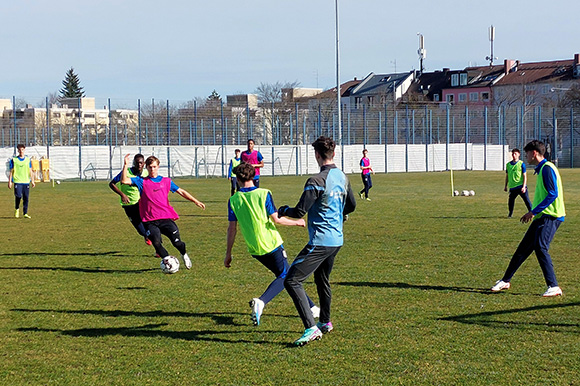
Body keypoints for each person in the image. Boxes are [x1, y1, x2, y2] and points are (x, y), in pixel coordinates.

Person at [278, 136, 357, 346]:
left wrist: (282, 210)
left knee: (292, 280)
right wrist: (338, 214)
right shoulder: (343, 177)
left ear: (317, 155)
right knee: (322, 279)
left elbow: (299, 211)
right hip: (336, 239)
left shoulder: (316, 181)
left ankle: (311, 328)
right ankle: (325, 322)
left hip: (321, 240)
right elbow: (351, 205)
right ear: (333, 154)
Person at [225, 162, 320, 326]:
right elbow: (276, 219)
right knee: (286, 276)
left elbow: (231, 228)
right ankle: (261, 301)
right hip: (271, 243)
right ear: (255, 176)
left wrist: (228, 253)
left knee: (287, 275)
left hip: (254, 248)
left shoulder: (233, 200)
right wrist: (297, 222)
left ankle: (312, 308)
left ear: (238, 180)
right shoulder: (264, 194)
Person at [491, 140, 565, 297]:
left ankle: (554, 286)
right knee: (523, 248)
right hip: (542, 215)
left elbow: (553, 193)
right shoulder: (542, 169)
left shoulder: (547, 169)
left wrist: (532, 212)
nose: (526, 156)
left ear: (535, 153)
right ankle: (505, 280)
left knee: (540, 247)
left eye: (527, 153)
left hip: (551, 216)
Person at [120, 154, 205, 269]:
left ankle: (184, 254)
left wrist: (196, 201)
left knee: (177, 243)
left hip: (165, 218)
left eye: (154, 167)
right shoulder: (141, 181)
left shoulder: (166, 181)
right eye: (150, 167)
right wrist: (125, 165)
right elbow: (124, 180)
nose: (152, 169)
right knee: (156, 243)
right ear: (147, 168)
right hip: (150, 220)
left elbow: (181, 191)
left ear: (158, 167)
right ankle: (168, 263)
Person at [109, 154, 150, 245]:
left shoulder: (146, 174)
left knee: (150, 226)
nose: (139, 165)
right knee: (141, 230)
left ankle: (157, 248)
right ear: (133, 163)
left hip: (141, 203)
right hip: (129, 205)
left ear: (144, 164)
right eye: (137, 163)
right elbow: (111, 184)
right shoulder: (126, 172)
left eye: (141, 163)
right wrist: (122, 194)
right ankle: (146, 236)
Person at [8, 144, 35, 218]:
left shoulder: (27, 160)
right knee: (18, 196)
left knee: (26, 197)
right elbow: (11, 171)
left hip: (26, 181)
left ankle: (25, 213)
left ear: (24, 150)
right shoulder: (14, 160)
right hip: (17, 181)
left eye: (22, 149)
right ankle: (17, 209)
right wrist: (10, 181)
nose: (21, 151)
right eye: (19, 150)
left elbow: (30, 170)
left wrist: (32, 180)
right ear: (18, 151)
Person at [504, 148, 532, 217]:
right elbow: (507, 176)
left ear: (519, 154)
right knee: (511, 201)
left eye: (515, 154)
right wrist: (505, 186)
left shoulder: (521, 164)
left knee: (527, 200)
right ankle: (510, 214)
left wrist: (524, 186)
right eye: (513, 154)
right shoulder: (508, 165)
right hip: (513, 187)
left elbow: (525, 176)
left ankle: (532, 212)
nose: (514, 155)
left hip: (520, 186)